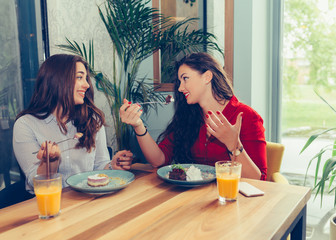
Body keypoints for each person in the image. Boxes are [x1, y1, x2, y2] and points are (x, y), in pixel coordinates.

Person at [120, 52, 267, 180]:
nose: (180, 88)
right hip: (194, 199)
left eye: (185, 78)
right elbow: (158, 160)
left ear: (207, 77)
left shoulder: (247, 116)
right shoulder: (188, 116)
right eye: (179, 81)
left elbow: (258, 179)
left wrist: (234, 144)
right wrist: (138, 125)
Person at [13, 54, 133, 193]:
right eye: (79, 77)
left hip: (87, 201)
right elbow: (36, 182)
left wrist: (113, 165)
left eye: (86, 78)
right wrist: (50, 162)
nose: (87, 85)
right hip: (47, 207)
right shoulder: (25, 125)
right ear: (58, 80)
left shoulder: (93, 119)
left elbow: (99, 166)